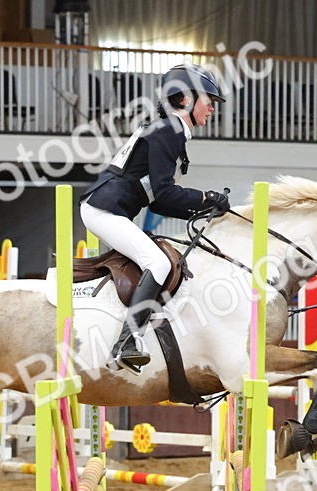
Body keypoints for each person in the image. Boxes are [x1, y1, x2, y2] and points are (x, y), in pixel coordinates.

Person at [80, 63, 231, 374]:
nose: (212, 109)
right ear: (186, 100)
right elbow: (164, 193)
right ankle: (127, 341)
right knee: (159, 263)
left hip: (110, 208)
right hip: (103, 209)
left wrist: (203, 207)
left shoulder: (169, 131)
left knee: (158, 258)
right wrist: (205, 198)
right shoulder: (169, 131)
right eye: (209, 101)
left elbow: (159, 203)